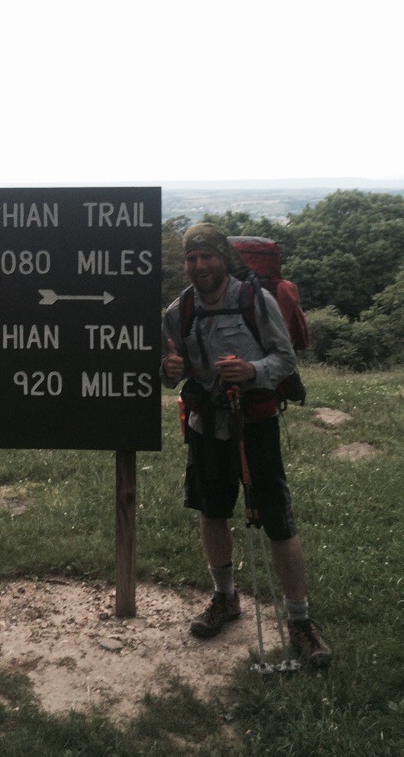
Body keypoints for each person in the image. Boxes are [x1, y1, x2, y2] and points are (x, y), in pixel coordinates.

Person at [160, 222, 331, 668]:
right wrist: (169, 369)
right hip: (205, 425)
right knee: (212, 510)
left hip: (255, 423)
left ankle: (300, 621)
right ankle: (224, 598)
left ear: (224, 257)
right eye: (192, 258)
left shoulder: (255, 299)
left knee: (277, 519)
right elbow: (171, 369)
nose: (199, 265)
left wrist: (253, 371)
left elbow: (285, 359)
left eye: (207, 256)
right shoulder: (178, 311)